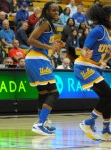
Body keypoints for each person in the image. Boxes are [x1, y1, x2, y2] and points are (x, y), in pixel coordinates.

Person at [73, 3, 111, 142]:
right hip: (84, 65)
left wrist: (109, 56)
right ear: (106, 18)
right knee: (109, 94)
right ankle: (88, 123)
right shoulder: (97, 31)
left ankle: (106, 131)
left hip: (97, 67)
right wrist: (85, 54)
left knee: (107, 99)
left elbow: (103, 56)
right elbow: (84, 49)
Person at [25, 2, 63, 136]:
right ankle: (40, 124)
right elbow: (30, 40)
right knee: (54, 93)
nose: (56, 13)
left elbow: (43, 42)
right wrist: (49, 47)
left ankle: (43, 122)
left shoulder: (47, 23)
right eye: (53, 10)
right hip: (37, 59)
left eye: (57, 11)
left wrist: (54, 45)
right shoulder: (44, 22)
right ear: (46, 11)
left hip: (34, 59)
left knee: (44, 93)